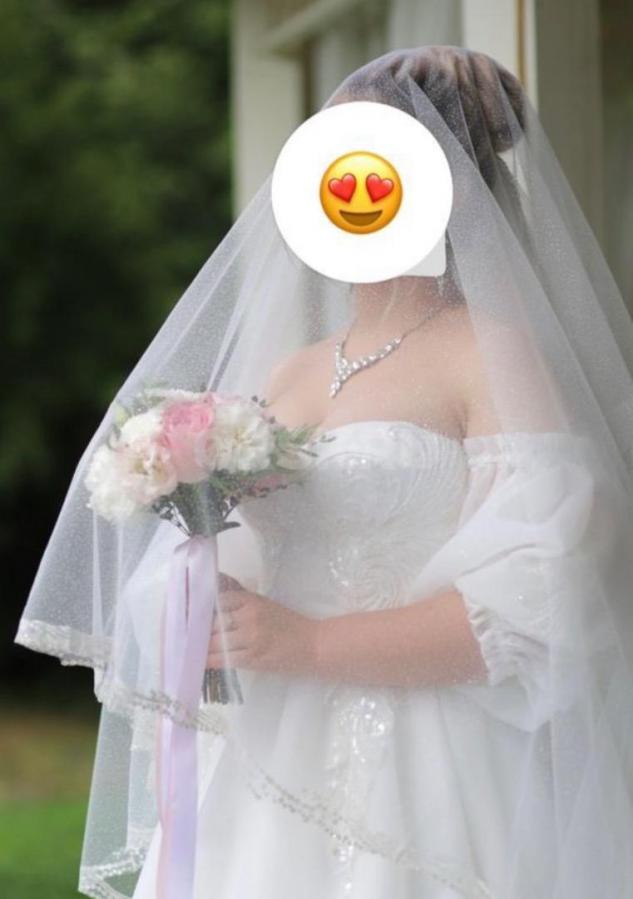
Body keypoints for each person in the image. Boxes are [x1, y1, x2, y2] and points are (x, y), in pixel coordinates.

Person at [16, 46, 633, 899]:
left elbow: (545, 593)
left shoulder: (494, 354)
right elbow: (243, 555)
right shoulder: (293, 371)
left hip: (424, 763)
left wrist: (306, 643)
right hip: (265, 751)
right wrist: (199, 602)